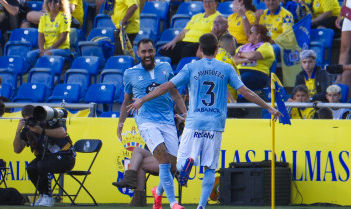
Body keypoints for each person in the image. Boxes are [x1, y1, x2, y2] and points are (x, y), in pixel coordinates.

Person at [127, 33, 281, 209]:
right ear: (217, 50)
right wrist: (268, 107)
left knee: (179, 165)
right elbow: (246, 91)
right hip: (215, 124)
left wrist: (142, 99)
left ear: (199, 49)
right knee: (209, 167)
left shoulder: (191, 68)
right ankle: (183, 200)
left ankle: (174, 194)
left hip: (194, 123)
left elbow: (166, 87)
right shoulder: (226, 68)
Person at [117, 38, 187, 209]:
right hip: (146, 121)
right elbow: (126, 101)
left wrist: (185, 114)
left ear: (155, 51)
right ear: (138, 53)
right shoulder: (130, 73)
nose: (147, 55)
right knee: (162, 156)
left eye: (150, 51)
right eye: (144, 52)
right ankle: (173, 203)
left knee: (174, 165)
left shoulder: (166, 67)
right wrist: (120, 124)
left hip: (167, 120)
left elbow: (175, 93)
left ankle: (156, 191)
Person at [13, 105, 76, 207]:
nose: (32, 122)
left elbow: (62, 133)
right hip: (46, 158)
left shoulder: (48, 121)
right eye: (28, 120)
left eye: (33, 119)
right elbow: (17, 150)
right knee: (31, 168)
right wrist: (17, 132)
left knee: (42, 165)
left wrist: (42, 131)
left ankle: (48, 196)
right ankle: (42, 194)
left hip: (65, 156)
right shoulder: (27, 129)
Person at [159, 0, 221, 65]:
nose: (207, 4)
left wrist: (203, 46)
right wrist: (173, 41)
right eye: (205, 2)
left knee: (187, 50)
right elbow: (184, 32)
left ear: (216, 3)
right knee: (164, 51)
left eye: (210, 2)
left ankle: (182, 70)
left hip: (199, 43)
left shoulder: (218, 18)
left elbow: (212, 35)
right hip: (185, 42)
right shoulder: (196, 16)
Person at [26, 0, 71, 67]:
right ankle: (41, 69)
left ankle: (43, 70)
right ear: (47, 4)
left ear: (61, 4)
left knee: (47, 54)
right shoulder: (44, 17)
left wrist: (49, 49)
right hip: (46, 49)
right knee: (30, 56)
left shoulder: (64, 17)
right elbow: (40, 36)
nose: (52, 3)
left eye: (55, 1)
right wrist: (41, 50)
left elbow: (63, 38)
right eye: (50, 1)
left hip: (62, 49)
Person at [233, 24, 275, 91]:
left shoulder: (266, 46)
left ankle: (238, 100)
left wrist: (240, 55)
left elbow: (253, 55)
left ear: (258, 35)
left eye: (250, 32)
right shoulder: (243, 47)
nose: (247, 34)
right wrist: (245, 60)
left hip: (257, 73)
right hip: (239, 71)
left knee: (238, 81)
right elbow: (233, 59)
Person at [216, 34, 240, 103]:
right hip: (226, 103)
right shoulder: (226, 60)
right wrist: (232, 100)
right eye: (235, 45)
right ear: (231, 45)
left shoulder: (215, 56)